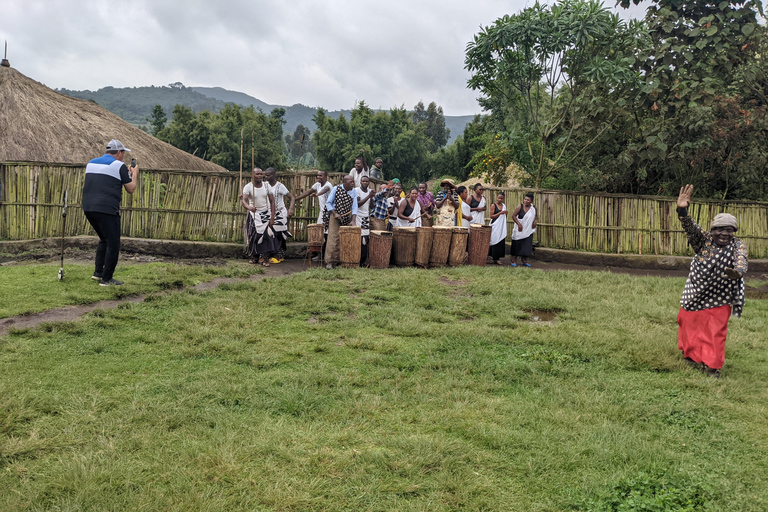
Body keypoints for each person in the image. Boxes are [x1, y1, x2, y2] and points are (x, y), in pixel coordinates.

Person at [676, 184, 748, 378]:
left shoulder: (738, 245)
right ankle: (690, 355)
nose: (724, 234)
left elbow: (742, 260)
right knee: (687, 322)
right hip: (696, 291)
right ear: (713, 230)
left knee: (715, 331)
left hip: (721, 295)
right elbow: (690, 227)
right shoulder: (703, 240)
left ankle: (713, 367)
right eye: (720, 230)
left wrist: (738, 273)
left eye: (729, 230)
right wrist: (682, 210)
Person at [81, 139, 139, 286]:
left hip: (88, 207)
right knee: (113, 243)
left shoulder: (91, 163)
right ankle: (107, 279)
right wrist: (134, 173)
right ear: (118, 152)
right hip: (106, 208)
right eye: (123, 153)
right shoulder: (119, 166)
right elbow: (130, 188)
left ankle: (98, 273)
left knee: (104, 239)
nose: (124, 156)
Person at [241, 167, 278, 267]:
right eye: (257, 174)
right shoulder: (248, 187)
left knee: (266, 236)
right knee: (254, 236)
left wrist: (272, 217)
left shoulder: (266, 186)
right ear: (252, 175)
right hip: (254, 214)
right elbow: (244, 201)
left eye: (261, 174)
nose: (260, 176)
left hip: (265, 213)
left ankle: (264, 258)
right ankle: (254, 256)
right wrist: (249, 207)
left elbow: (272, 201)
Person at [294, 169, 333, 261]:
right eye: (318, 175)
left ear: (325, 177)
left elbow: (324, 190)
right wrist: (296, 199)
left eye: (321, 176)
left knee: (326, 235)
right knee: (320, 234)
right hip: (322, 213)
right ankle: (320, 255)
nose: (318, 177)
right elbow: (307, 192)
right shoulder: (317, 185)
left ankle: (325, 256)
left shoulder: (328, 185)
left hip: (329, 213)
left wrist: (317, 194)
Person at [324, 175, 358, 269]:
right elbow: (328, 203)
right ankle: (330, 261)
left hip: (346, 217)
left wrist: (353, 220)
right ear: (345, 183)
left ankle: (340, 260)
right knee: (333, 238)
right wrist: (335, 213)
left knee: (344, 239)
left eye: (353, 182)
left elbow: (355, 206)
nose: (353, 184)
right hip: (335, 216)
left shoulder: (353, 191)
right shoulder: (336, 189)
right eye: (351, 182)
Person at [264, 167, 295, 263]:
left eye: (268, 175)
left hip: (280, 212)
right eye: (266, 175)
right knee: (268, 232)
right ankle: (271, 253)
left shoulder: (280, 186)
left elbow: (292, 197)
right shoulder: (265, 185)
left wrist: (291, 208)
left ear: (274, 175)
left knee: (279, 232)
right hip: (269, 212)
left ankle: (279, 254)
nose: (266, 177)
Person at [510, 193, 537, 267]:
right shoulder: (520, 207)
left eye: (528, 200)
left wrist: (535, 222)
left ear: (531, 201)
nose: (526, 201)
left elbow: (536, 217)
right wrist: (519, 224)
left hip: (528, 230)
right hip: (519, 230)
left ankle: (524, 260)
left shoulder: (533, 208)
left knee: (526, 245)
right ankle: (513, 260)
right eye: (525, 199)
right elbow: (513, 216)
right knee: (516, 244)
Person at [355, 175, 375, 265]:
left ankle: (363, 260)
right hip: (358, 216)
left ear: (369, 183)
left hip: (366, 217)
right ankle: (357, 258)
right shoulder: (357, 190)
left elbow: (371, 206)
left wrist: (371, 197)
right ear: (360, 182)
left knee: (365, 238)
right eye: (363, 181)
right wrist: (368, 196)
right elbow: (358, 204)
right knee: (358, 237)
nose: (365, 183)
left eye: (367, 181)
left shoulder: (370, 191)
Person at [489, 192, 508, 265]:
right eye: (499, 198)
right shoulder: (493, 205)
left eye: (501, 198)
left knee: (500, 241)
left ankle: (497, 258)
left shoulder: (504, 206)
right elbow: (491, 216)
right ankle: (491, 257)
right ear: (497, 197)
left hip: (501, 227)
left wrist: (505, 214)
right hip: (495, 226)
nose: (500, 199)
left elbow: (504, 217)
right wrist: (500, 213)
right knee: (493, 240)